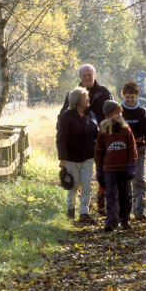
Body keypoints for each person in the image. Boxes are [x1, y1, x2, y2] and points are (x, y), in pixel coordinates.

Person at [59, 64, 113, 216]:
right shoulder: (73, 94)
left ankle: (100, 202)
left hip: (100, 142)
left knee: (102, 174)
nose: (87, 78)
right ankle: (77, 208)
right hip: (77, 150)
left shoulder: (104, 93)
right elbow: (62, 119)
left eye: (90, 75)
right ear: (80, 77)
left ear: (95, 75)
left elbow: (113, 114)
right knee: (77, 181)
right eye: (84, 76)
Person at [56, 87, 99, 224]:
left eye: (87, 97)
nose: (88, 99)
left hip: (88, 157)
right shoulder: (67, 116)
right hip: (72, 158)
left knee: (86, 185)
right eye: (85, 97)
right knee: (73, 185)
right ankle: (70, 210)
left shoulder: (90, 114)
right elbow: (61, 138)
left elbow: (96, 135)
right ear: (76, 100)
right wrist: (62, 159)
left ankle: (84, 212)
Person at [95, 100, 138, 232]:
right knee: (111, 195)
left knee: (126, 195)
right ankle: (111, 222)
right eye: (116, 113)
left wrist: (132, 164)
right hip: (109, 169)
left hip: (124, 168)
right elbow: (99, 151)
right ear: (109, 115)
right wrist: (99, 169)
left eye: (120, 113)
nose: (119, 115)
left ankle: (125, 220)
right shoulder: (103, 132)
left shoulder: (126, 130)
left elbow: (132, 147)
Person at [121, 82, 146, 221]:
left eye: (132, 97)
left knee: (139, 180)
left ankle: (140, 210)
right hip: (122, 150)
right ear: (123, 96)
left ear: (137, 96)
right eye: (127, 97)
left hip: (139, 150)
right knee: (124, 181)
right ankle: (124, 212)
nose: (130, 100)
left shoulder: (143, 112)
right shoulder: (119, 112)